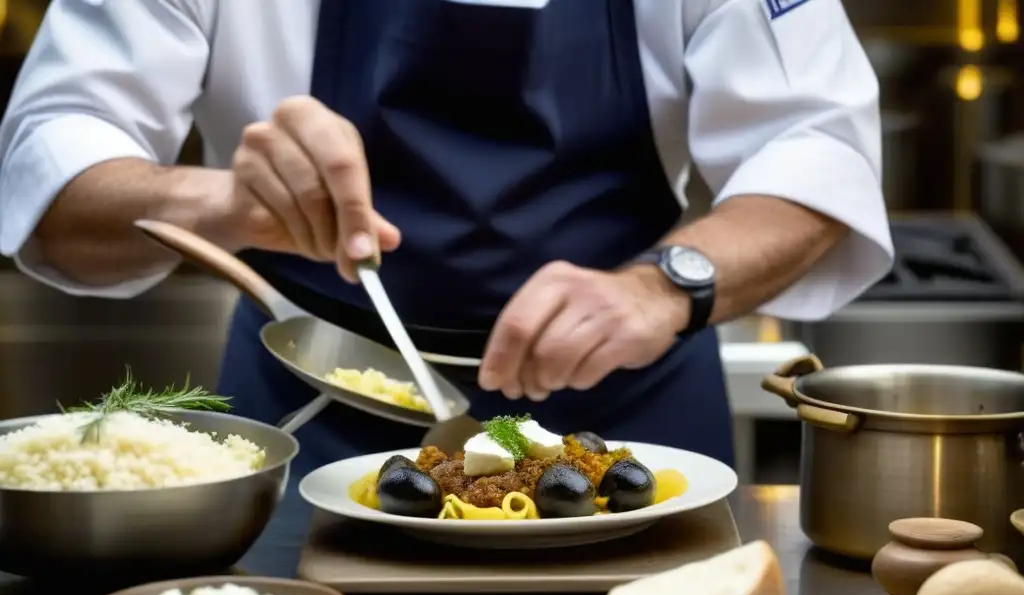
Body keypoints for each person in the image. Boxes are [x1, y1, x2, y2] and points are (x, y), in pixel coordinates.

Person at [0, 0, 892, 477]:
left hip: (631, 420)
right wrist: (224, 200)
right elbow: (58, 158)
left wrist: (666, 286)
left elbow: (815, 145)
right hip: (309, 406)